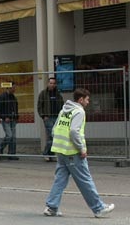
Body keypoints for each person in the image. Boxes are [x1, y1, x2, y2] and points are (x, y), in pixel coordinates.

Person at [44, 88, 115, 218]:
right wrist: (81, 148)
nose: (88, 102)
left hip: (61, 151)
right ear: (81, 99)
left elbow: (54, 130)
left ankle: (51, 207)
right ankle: (98, 208)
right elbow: (74, 131)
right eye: (87, 100)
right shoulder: (79, 111)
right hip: (73, 152)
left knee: (60, 180)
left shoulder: (64, 110)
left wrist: (61, 144)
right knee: (85, 180)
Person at [37, 77, 64, 162]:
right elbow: (39, 106)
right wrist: (43, 116)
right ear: (48, 84)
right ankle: (46, 153)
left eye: (54, 83)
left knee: (54, 137)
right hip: (48, 117)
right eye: (51, 83)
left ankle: (50, 154)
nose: (52, 85)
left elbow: (62, 104)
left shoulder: (58, 94)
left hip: (57, 117)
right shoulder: (43, 93)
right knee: (52, 136)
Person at [0, 81, 19, 160]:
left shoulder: (13, 97)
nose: (15, 89)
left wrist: (16, 117)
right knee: (9, 135)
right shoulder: (2, 97)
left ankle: (12, 154)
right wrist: (4, 117)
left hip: (13, 119)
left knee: (13, 137)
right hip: (6, 120)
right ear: (9, 88)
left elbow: (15, 108)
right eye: (13, 87)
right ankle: (0, 147)